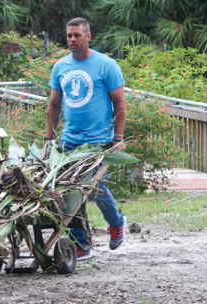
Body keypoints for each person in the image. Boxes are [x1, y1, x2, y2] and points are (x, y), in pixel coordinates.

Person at [46, 17, 128, 260]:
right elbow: (53, 104)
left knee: (92, 187)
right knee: (68, 191)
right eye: (69, 35)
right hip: (70, 142)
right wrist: (49, 139)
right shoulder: (61, 67)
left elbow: (120, 102)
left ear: (88, 36)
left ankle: (116, 221)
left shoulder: (106, 65)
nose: (72, 39)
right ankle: (81, 245)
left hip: (98, 141)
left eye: (77, 35)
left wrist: (118, 137)